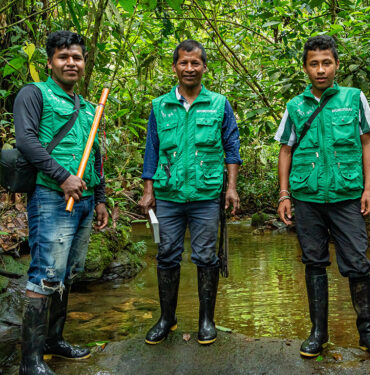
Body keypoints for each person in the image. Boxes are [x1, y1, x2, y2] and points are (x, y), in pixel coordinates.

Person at [275, 35, 370, 358]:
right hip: (307, 196)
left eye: (326, 63)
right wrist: (284, 194)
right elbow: (285, 150)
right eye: (314, 64)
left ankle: (367, 333)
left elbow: (367, 142)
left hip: (346, 196)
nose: (321, 69)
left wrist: (369, 189)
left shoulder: (354, 98)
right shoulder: (295, 106)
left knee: (357, 262)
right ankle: (318, 333)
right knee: (313, 262)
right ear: (305, 68)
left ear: (337, 65)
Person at [14, 31, 109, 375]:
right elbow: (25, 140)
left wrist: (100, 199)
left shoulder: (85, 107)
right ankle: (31, 362)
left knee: (67, 274)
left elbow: (94, 154)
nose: (71, 63)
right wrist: (63, 176)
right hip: (52, 197)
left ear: (84, 64)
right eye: (63, 57)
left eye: (77, 57)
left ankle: (54, 342)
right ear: (51, 62)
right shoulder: (34, 94)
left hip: (83, 202)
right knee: (45, 276)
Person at [137, 40, 241, 346]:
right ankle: (167, 319)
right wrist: (148, 190)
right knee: (167, 254)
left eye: (196, 63)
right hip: (168, 194)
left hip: (206, 195)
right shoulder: (159, 106)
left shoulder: (220, 104)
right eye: (183, 63)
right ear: (174, 67)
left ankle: (206, 321)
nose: (189, 69)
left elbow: (232, 149)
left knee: (206, 256)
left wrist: (231, 189)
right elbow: (151, 150)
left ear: (205, 67)